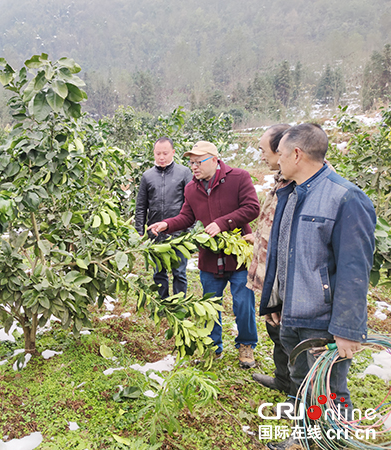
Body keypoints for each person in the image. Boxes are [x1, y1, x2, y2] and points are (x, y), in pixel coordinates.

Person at [260, 124, 376, 450]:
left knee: (330, 391)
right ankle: (305, 436)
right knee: (301, 384)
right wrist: (275, 303)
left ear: (297, 154)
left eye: (281, 154)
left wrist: (347, 328)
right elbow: (283, 255)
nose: (277, 161)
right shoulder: (290, 192)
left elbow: (355, 270)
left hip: (321, 321)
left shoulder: (346, 199)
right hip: (292, 315)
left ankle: (334, 442)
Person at [148, 141, 260, 368]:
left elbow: (252, 208)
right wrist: (166, 225)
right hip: (209, 257)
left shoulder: (239, 177)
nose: (194, 167)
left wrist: (222, 223)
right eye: (191, 162)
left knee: (243, 303)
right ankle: (213, 347)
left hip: (237, 255)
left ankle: (246, 345)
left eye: (199, 162)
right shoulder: (192, 188)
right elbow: (186, 218)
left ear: (214, 159)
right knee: (209, 305)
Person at [244, 124, 293, 393]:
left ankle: (295, 392)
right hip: (268, 274)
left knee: (289, 334)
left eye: (264, 149)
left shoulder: (300, 186)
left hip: (282, 277)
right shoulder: (280, 180)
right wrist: (258, 238)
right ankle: (282, 380)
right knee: (275, 329)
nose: (262, 155)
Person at [135, 136, 193, 298]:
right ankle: (163, 303)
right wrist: (140, 231)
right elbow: (141, 206)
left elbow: (192, 202)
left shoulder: (184, 173)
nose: (161, 157)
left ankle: (179, 303)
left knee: (179, 271)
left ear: (173, 152)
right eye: (158, 153)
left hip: (179, 233)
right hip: (155, 233)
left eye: (165, 153)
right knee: (159, 272)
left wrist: (189, 229)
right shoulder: (147, 176)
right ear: (153, 153)